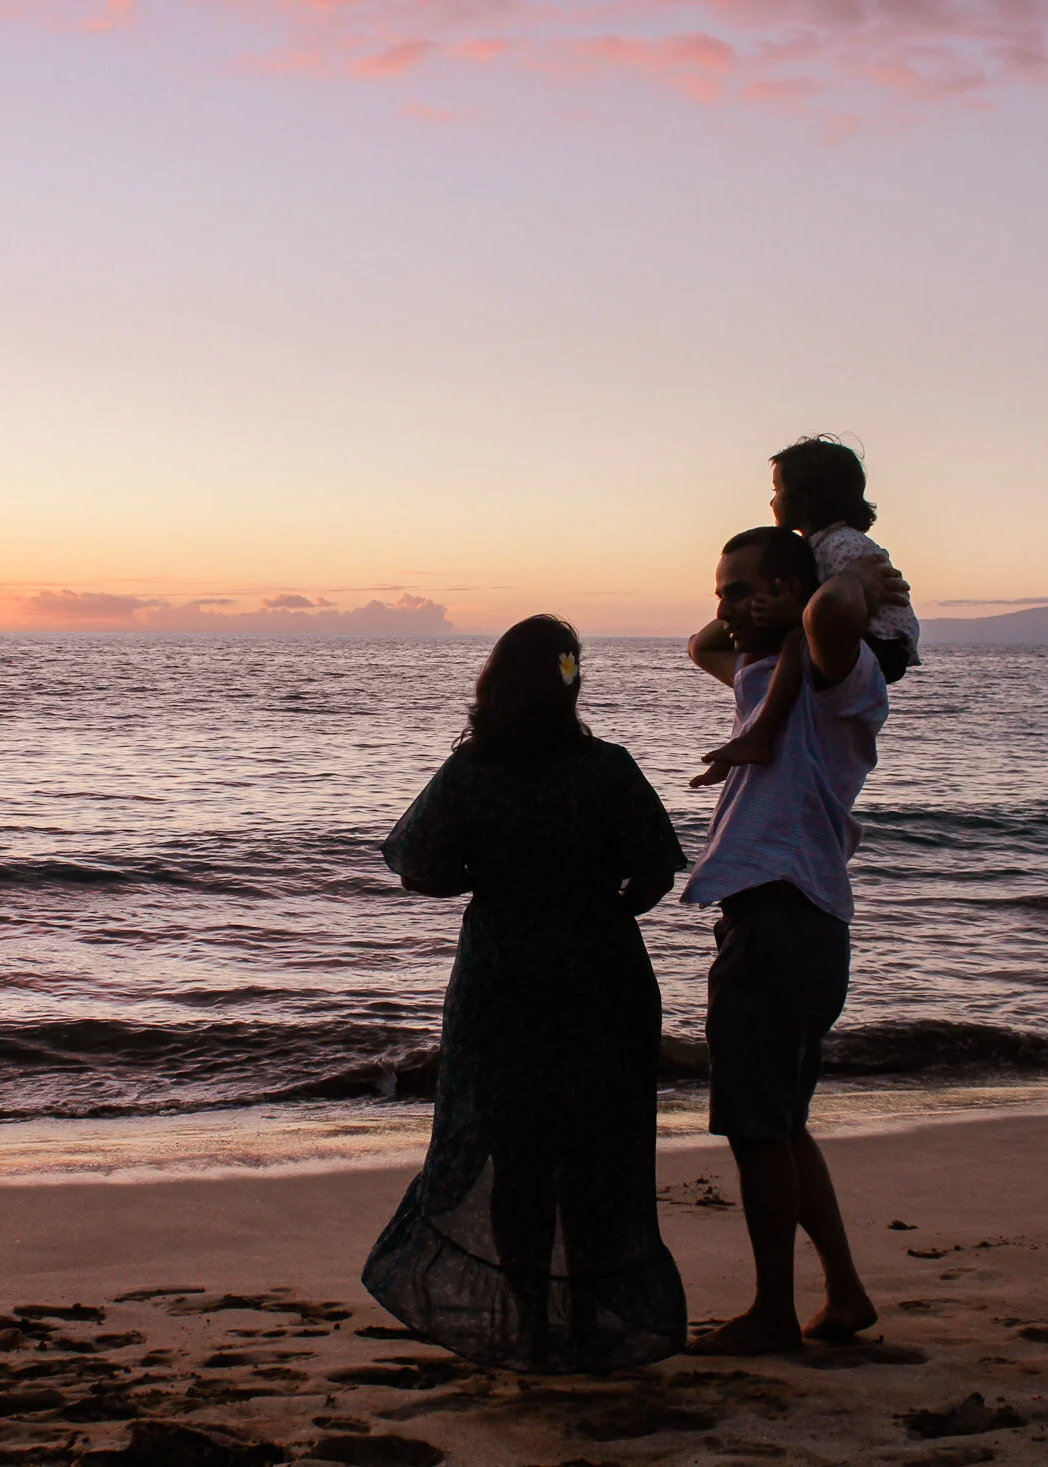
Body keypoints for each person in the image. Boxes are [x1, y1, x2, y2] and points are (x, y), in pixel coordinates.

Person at [363, 615, 690, 1373]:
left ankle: (530, 1320)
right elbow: (655, 876)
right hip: (602, 973)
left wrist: (495, 883)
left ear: (495, 684)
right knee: (594, 1154)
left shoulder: (476, 771)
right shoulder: (610, 768)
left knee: (517, 1157)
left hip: (504, 973)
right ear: (572, 682)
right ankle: (587, 1320)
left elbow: (418, 868)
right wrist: (594, 904)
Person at [680, 527, 891, 1355]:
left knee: (758, 1129)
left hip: (784, 915)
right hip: (784, 919)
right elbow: (701, 643)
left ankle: (774, 1310)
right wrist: (756, 606)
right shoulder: (768, 676)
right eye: (724, 588)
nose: (726, 607)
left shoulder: (839, 679)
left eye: (742, 588)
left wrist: (847, 572)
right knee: (783, 1123)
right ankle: (844, 1291)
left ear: (792, 590)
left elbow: (835, 611)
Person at [697, 437, 917, 781]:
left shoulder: (842, 545)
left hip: (881, 643)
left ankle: (761, 733)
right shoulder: (819, 545)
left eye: (778, 490)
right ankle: (755, 733)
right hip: (865, 639)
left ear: (806, 496)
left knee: (796, 639)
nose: (772, 500)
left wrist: (791, 614)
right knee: (795, 639)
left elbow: (829, 609)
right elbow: (701, 645)